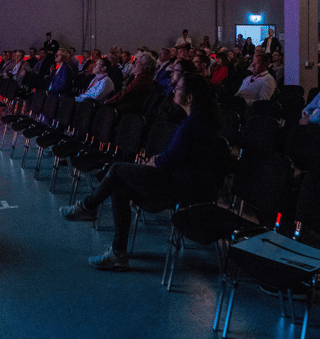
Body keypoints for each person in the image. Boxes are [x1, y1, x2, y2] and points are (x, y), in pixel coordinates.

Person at [61, 74, 225, 270]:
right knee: (120, 186)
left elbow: (171, 160)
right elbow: (174, 157)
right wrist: (155, 161)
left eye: (178, 88)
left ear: (189, 98)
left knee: (117, 170)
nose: (173, 90)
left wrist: (152, 163)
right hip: (178, 178)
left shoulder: (194, 124)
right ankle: (118, 253)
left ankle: (88, 207)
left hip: (183, 186)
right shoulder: (196, 120)